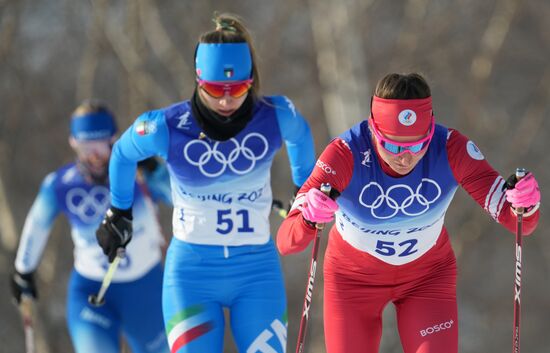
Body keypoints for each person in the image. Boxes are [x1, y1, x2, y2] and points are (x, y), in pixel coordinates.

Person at [95, 12, 316, 353]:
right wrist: (119, 211)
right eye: (215, 90)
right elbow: (123, 154)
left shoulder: (275, 115)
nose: (226, 101)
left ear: (250, 80)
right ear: (198, 81)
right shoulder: (165, 126)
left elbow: (301, 136)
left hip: (256, 272)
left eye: (238, 89)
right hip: (192, 275)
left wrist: (305, 192)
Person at [276, 73, 541, 353]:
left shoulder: (451, 148)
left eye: (417, 145)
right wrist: (307, 220)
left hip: (427, 279)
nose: (406, 157)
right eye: (392, 145)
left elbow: (518, 221)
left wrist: (526, 204)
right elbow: (286, 242)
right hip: (352, 283)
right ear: (373, 128)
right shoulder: (344, 154)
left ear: (430, 130)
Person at [10, 100, 172, 353]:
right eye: (86, 147)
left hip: (146, 290)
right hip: (91, 291)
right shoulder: (61, 184)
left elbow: (182, 197)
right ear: (73, 143)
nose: (94, 156)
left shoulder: (139, 175)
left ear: (114, 140)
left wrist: (157, 171)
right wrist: (23, 271)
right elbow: (37, 225)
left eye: (100, 145)